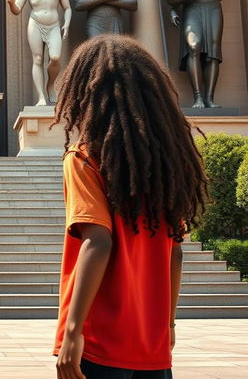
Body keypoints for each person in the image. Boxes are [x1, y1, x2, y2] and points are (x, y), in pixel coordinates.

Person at [53, 35, 208, 379]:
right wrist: (168, 324)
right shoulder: (165, 166)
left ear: (84, 93)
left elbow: (98, 241)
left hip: (99, 342)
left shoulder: (84, 158)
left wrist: (73, 332)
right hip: (151, 344)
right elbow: (175, 252)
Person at [6, 0, 71, 105]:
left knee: (55, 58)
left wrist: (67, 24)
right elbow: (17, 10)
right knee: (38, 59)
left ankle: (50, 85)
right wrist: (10, 3)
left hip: (54, 24)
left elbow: (67, 7)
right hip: (35, 23)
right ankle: (41, 96)